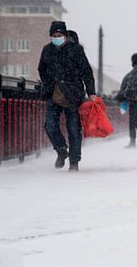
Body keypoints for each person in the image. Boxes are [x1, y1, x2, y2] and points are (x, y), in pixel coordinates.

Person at [38, 21, 97, 171]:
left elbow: (86, 72)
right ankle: (61, 150)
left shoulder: (76, 50)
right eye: (53, 35)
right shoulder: (47, 50)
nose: (56, 37)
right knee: (50, 125)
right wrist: (48, 83)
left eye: (59, 35)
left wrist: (91, 93)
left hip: (73, 94)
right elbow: (41, 69)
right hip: (53, 93)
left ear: (64, 35)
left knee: (73, 128)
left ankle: (74, 161)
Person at [116, 53, 137, 148]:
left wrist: (124, 94)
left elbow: (132, 85)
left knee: (134, 119)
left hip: (135, 98)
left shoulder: (135, 72)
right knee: (133, 119)